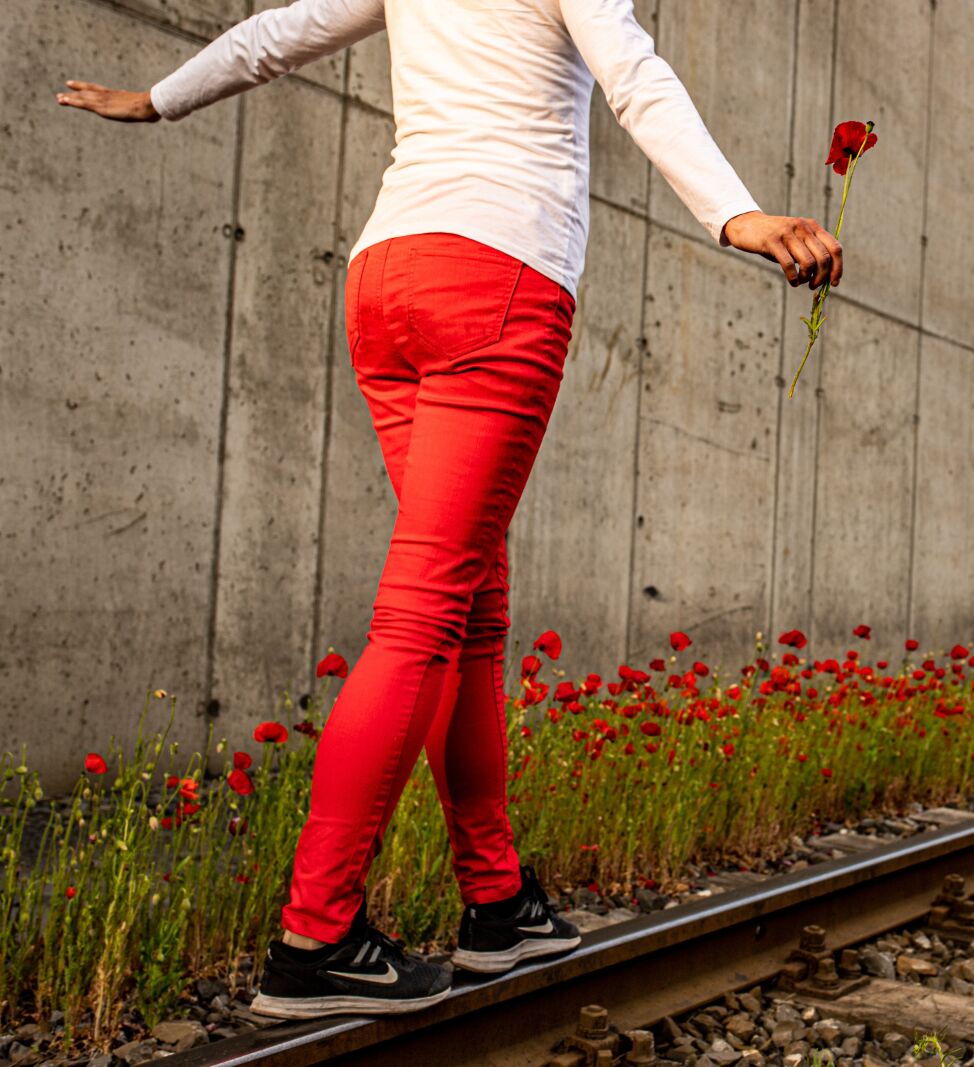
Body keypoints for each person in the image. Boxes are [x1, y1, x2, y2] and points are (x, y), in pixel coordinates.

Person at [56, 0, 845, 1020]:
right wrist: (735, 214)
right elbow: (633, 76)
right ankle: (317, 933)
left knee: (469, 600)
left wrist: (159, 100)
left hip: (387, 280)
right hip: (498, 274)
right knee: (425, 610)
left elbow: (279, 31)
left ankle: (496, 899)